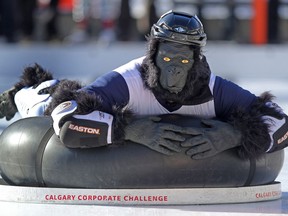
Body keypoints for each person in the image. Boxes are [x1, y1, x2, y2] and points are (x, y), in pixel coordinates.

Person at [0, 10, 287, 159]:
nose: (174, 71)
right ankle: (27, 90)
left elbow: (282, 124)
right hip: (55, 101)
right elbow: (66, 116)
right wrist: (130, 128)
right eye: (167, 59)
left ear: (197, 61)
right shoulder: (128, 80)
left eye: (184, 62)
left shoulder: (213, 88)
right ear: (152, 55)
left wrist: (236, 135)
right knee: (42, 109)